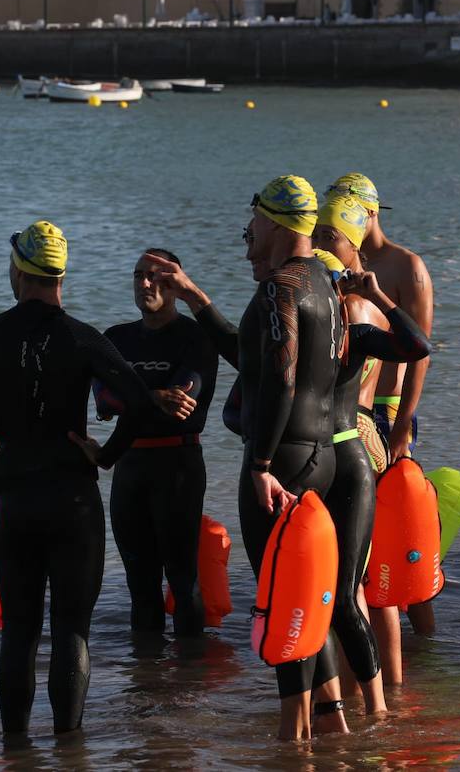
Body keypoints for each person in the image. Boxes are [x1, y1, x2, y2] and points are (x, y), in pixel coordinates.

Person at [0, 220, 191, 737]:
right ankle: (71, 751)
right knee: (72, 635)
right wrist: (105, 454)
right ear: (62, 275)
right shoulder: (82, 338)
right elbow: (137, 401)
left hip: (15, 498)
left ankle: (15, 751)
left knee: (18, 633)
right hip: (73, 501)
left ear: (18, 270)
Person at [141, 176, 345, 740]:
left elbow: (278, 381)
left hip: (280, 461)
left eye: (253, 219)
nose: (248, 230)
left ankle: (291, 738)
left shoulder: (280, 288)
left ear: (276, 224)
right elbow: (253, 362)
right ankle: (331, 724)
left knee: (284, 603)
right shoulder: (324, 282)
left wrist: (258, 465)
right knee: (310, 595)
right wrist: (196, 297)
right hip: (321, 453)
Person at [310, 193, 432, 717]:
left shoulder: (339, 299)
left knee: (347, 582)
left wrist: (404, 419)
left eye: (323, 235)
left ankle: (353, 696)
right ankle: (391, 690)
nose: (316, 242)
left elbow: (418, 349)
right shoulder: (366, 298)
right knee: (372, 576)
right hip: (369, 437)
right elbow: (414, 343)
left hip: (348, 436)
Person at [93, 249, 217, 638]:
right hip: (130, 470)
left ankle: (189, 685)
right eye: (138, 275)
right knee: (139, 586)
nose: (145, 283)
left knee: (182, 581)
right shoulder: (116, 338)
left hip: (178, 466)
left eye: (156, 277)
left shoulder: (196, 337)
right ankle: (145, 684)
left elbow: (181, 401)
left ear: (176, 286)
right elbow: (104, 401)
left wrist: (136, 392)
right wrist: (154, 396)